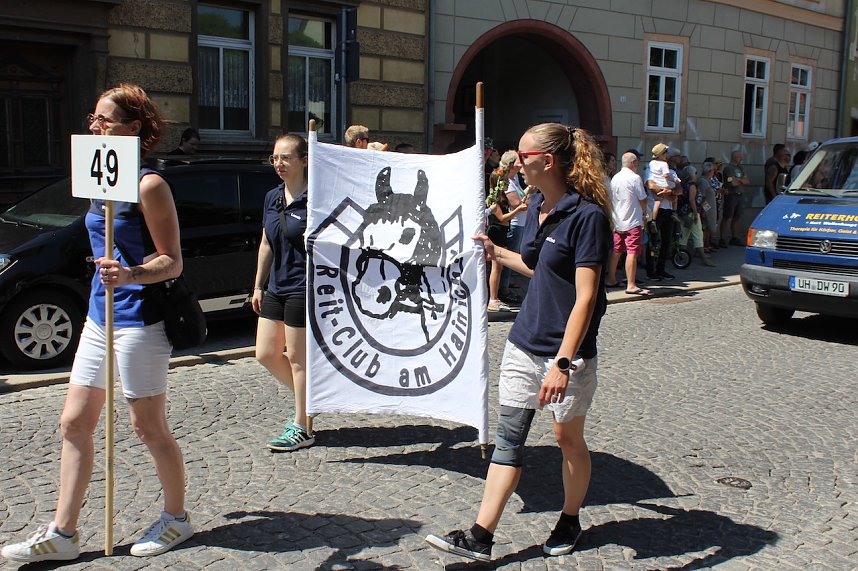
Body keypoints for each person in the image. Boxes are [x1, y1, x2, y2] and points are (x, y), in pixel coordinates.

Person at [1, 84, 193, 564]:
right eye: (93, 117)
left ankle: (177, 519)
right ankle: (63, 533)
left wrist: (131, 273)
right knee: (73, 422)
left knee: (147, 427)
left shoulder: (149, 184)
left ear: (133, 128)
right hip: (97, 317)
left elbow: (172, 262)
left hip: (140, 323)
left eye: (105, 120)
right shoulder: (98, 177)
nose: (95, 125)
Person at [425, 123, 612, 562]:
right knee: (509, 439)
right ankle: (480, 536)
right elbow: (537, 268)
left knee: (567, 438)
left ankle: (569, 519)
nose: (516, 160)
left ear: (546, 161)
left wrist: (562, 364)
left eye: (523, 154)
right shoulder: (537, 208)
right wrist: (494, 251)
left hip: (567, 354)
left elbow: (586, 295)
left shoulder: (587, 217)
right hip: (523, 342)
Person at [252, 134, 313, 452]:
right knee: (265, 353)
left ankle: (302, 426)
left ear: (304, 160)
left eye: (286, 157)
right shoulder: (273, 197)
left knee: (298, 359)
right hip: (275, 286)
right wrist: (258, 285)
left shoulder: (315, 200)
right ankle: (310, 401)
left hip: (303, 288)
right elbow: (266, 242)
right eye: (275, 158)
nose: (278, 163)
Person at [486, 159, 527, 312]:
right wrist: (518, 211)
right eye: (504, 183)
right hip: (496, 233)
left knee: (500, 267)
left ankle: (494, 297)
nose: (506, 185)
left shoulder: (501, 199)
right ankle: (493, 299)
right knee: (496, 268)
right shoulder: (495, 201)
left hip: (502, 233)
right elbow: (502, 218)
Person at [606, 152, 649, 295]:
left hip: (617, 220)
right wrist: (645, 212)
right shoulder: (635, 178)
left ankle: (611, 278)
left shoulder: (615, 178)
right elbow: (643, 199)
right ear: (634, 163)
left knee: (616, 250)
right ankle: (631, 284)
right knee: (632, 252)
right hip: (633, 220)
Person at [677, 166, 715, 266]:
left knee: (684, 235)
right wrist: (696, 213)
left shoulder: (683, 184)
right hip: (691, 213)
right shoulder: (693, 185)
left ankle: (682, 257)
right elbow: (693, 200)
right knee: (698, 235)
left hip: (684, 213)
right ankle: (703, 259)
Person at [720, 149, 750, 246]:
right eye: (740, 157)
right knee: (727, 216)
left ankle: (735, 237)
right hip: (731, 194)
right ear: (735, 157)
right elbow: (732, 182)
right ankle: (723, 238)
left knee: (737, 216)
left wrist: (739, 180)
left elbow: (747, 181)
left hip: (740, 194)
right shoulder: (728, 168)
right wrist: (740, 180)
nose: (741, 158)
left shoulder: (741, 168)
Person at [698, 161, 718, 252]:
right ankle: (703, 247)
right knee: (704, 228)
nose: (714, 172)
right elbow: (702, 197)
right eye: (713, 170)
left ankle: (707, 244)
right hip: (706, 209)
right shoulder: (703, 181)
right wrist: (704, 211)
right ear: (709, 171)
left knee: (708, 228)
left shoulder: (708, 180)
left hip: (710, 208)